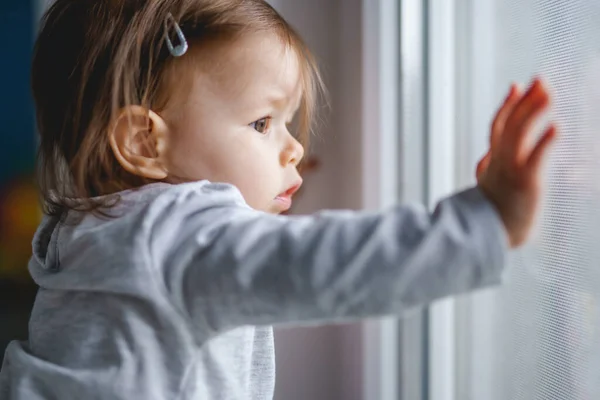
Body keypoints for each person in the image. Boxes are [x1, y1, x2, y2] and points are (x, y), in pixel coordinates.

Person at [0, 0, 557, 399]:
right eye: (263, 122)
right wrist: (482, 221)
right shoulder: (176, 233)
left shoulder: (80, 235)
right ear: (144, 142)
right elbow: (329, 263)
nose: (294, 148)